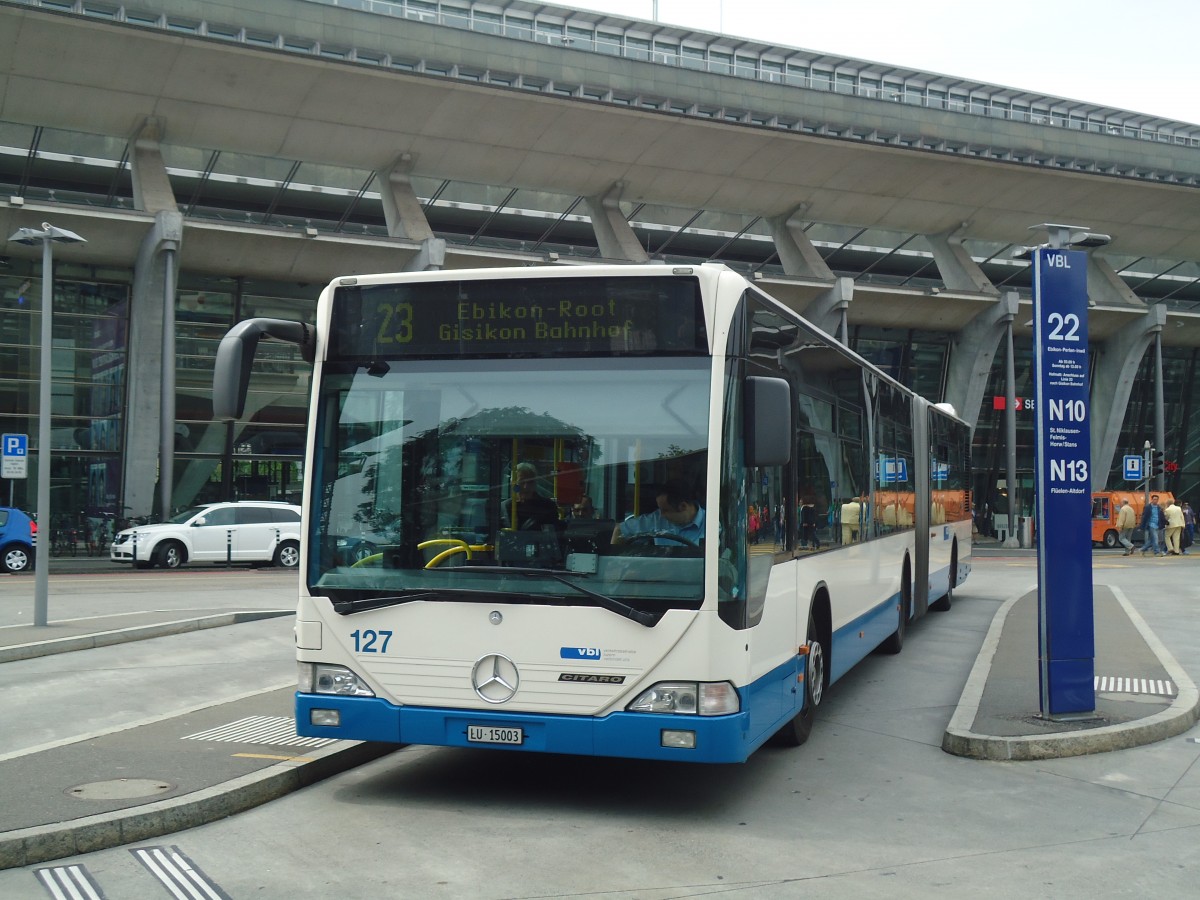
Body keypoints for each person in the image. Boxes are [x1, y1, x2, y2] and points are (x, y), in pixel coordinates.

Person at [612, 480, 704, 546]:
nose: (661, 515)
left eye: (665, 510)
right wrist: (615, 563)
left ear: (683, 506)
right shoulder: (656, 519)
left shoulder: (710, 523)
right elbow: (620, 530)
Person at [502, 461, 559, 530]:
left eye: (530, 482)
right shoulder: (505, 507)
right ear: (513, 484)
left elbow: (553, 535)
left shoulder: (548, 506)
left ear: (535, 483)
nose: (526, 486)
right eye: (522, 482)